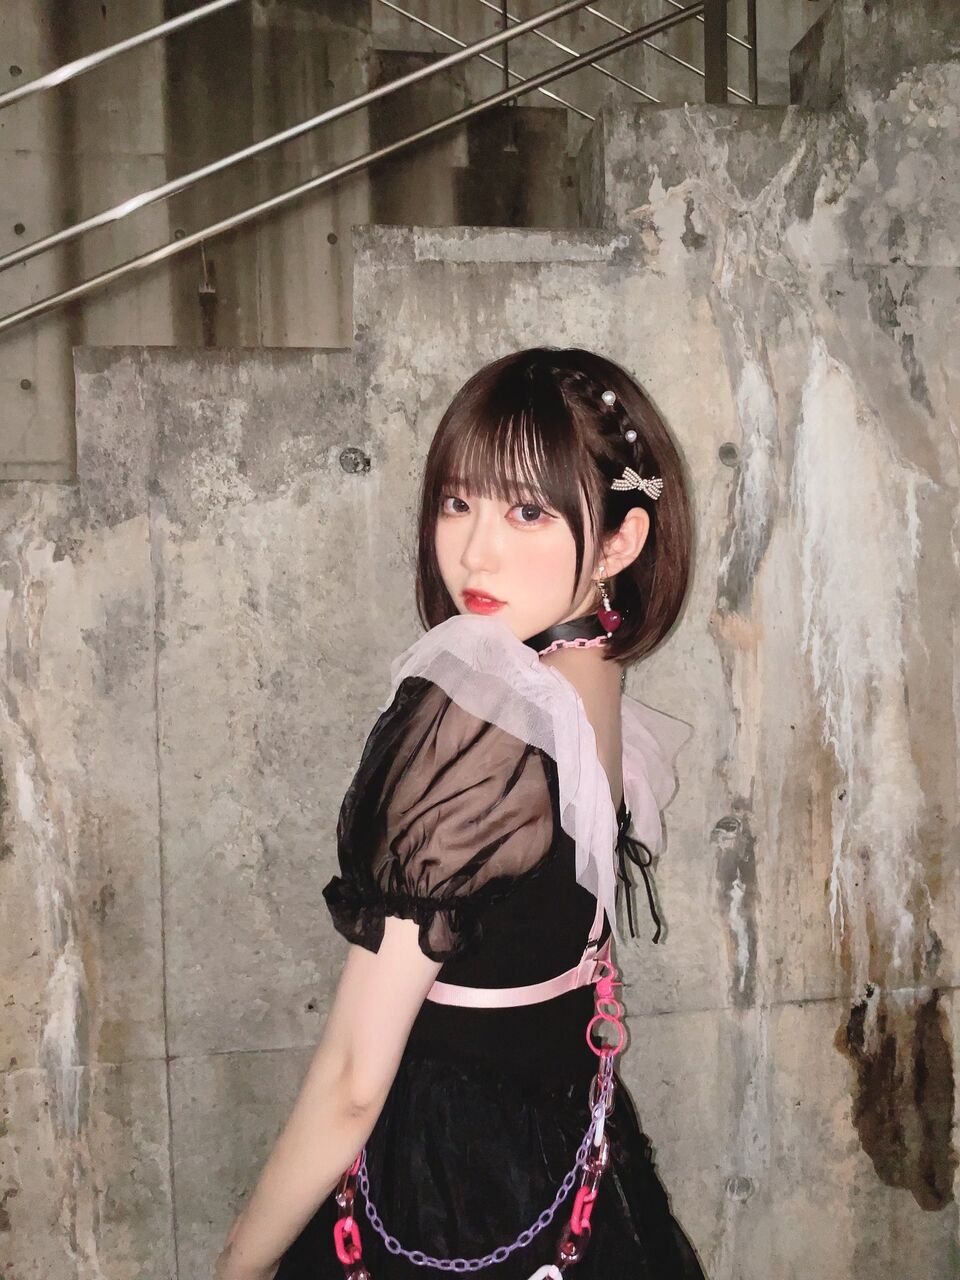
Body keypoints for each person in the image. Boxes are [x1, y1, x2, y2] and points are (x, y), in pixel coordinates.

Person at [215, 347, 705, 1280]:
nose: (474, 552)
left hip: (450, 1184)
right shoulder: (589, 674)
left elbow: (355, 1080)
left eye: (526, 511)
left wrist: (239, 1261)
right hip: (569, 1148)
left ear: (618, 543)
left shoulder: (478, 715)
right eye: (456, 502)